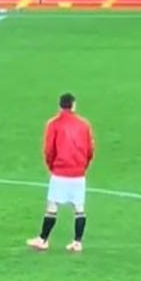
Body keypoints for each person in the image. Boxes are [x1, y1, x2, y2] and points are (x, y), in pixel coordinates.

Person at [27, 94, 95, 253]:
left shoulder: (53, 124)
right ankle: (77, 242)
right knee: (79, 208)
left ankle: (43, 240)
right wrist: (83, 166)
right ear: (73, 105)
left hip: (60, 171)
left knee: (52, 206)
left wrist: (52, 166)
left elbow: (49, 150)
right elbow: (90, 149)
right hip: (78, 173)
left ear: (60, 106)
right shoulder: (84, 125)